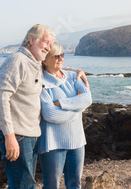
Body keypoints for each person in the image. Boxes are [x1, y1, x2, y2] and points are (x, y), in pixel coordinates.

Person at [0, 24, 87, 189]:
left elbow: (51, 68)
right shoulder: (17, 61)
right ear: (31, 40)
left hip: (30, 136)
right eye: (46, 42)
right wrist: (9, 136)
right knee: (24, 185)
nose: (48, 47)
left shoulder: (35, 62)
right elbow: (1, 97)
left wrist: (77, 70)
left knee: (26, 185)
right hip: (18, 136)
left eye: (50, 45)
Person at [38, 42, 92, 189]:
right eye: (56, 56)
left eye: (62, 55)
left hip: (77, 140)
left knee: (75, 184)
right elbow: (50, 114)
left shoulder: (74, 76)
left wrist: (61, 103)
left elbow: (87, 99)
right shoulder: (41, 83)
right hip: (52, 143)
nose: (60, 58)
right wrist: (77, 106)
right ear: (44, 60)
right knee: (51, 185)